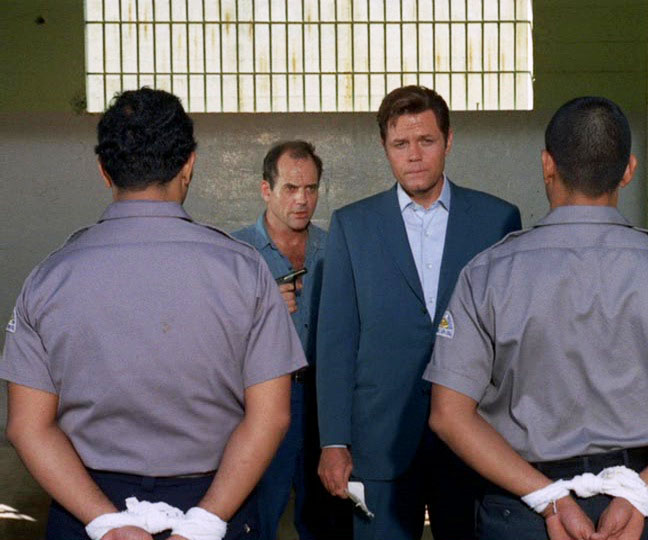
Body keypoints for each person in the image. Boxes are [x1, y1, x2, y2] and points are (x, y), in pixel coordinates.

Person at [1, 88, 306, 540]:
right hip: (218, 500)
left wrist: (105, 521)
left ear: (104, 171)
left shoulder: (49, 278)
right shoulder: (245, 271)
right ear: (189, 165)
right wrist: (205, 521)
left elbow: (28, 426)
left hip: (86, 504)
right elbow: (272, 416)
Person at [424, 96, 648, 540]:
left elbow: (449, 415)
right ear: (628, 170)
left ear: (547, 165)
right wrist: (640, 494)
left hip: (523, 509)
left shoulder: (488, 275)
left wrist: (549, 498)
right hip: (643, 511)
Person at [316, 85, 522, 540]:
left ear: (448, 141)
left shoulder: (497, 220)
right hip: (380, 442)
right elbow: (336, 342)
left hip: (475, 439)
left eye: (426, 141)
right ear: (384, 148)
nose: (413, 155)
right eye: (400, 144)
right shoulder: (353, 225)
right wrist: (333, 440)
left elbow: (513, 342)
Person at [232, 140, 351, 540]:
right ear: (266, 189)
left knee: (328, 518)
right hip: (262, 397)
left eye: (311, 188)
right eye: (290, 188)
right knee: (256, 515)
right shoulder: (236, 253)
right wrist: (259, 311)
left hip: (325, 399)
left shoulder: (336, 248)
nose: (302, 200)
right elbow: (210, 337)